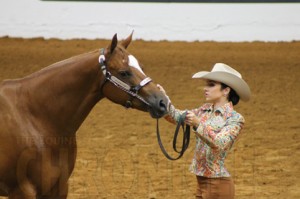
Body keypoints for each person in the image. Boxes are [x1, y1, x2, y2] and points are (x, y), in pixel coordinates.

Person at [157, 63, 251, 199]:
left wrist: (197, 124)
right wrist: (163, 99)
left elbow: (219, 143)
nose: (205, 88)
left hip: (217, 185)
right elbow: (177, 117)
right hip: (202, 182)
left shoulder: (235, 119)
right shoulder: (203, 110)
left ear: (226, 91)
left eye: (211, 85)